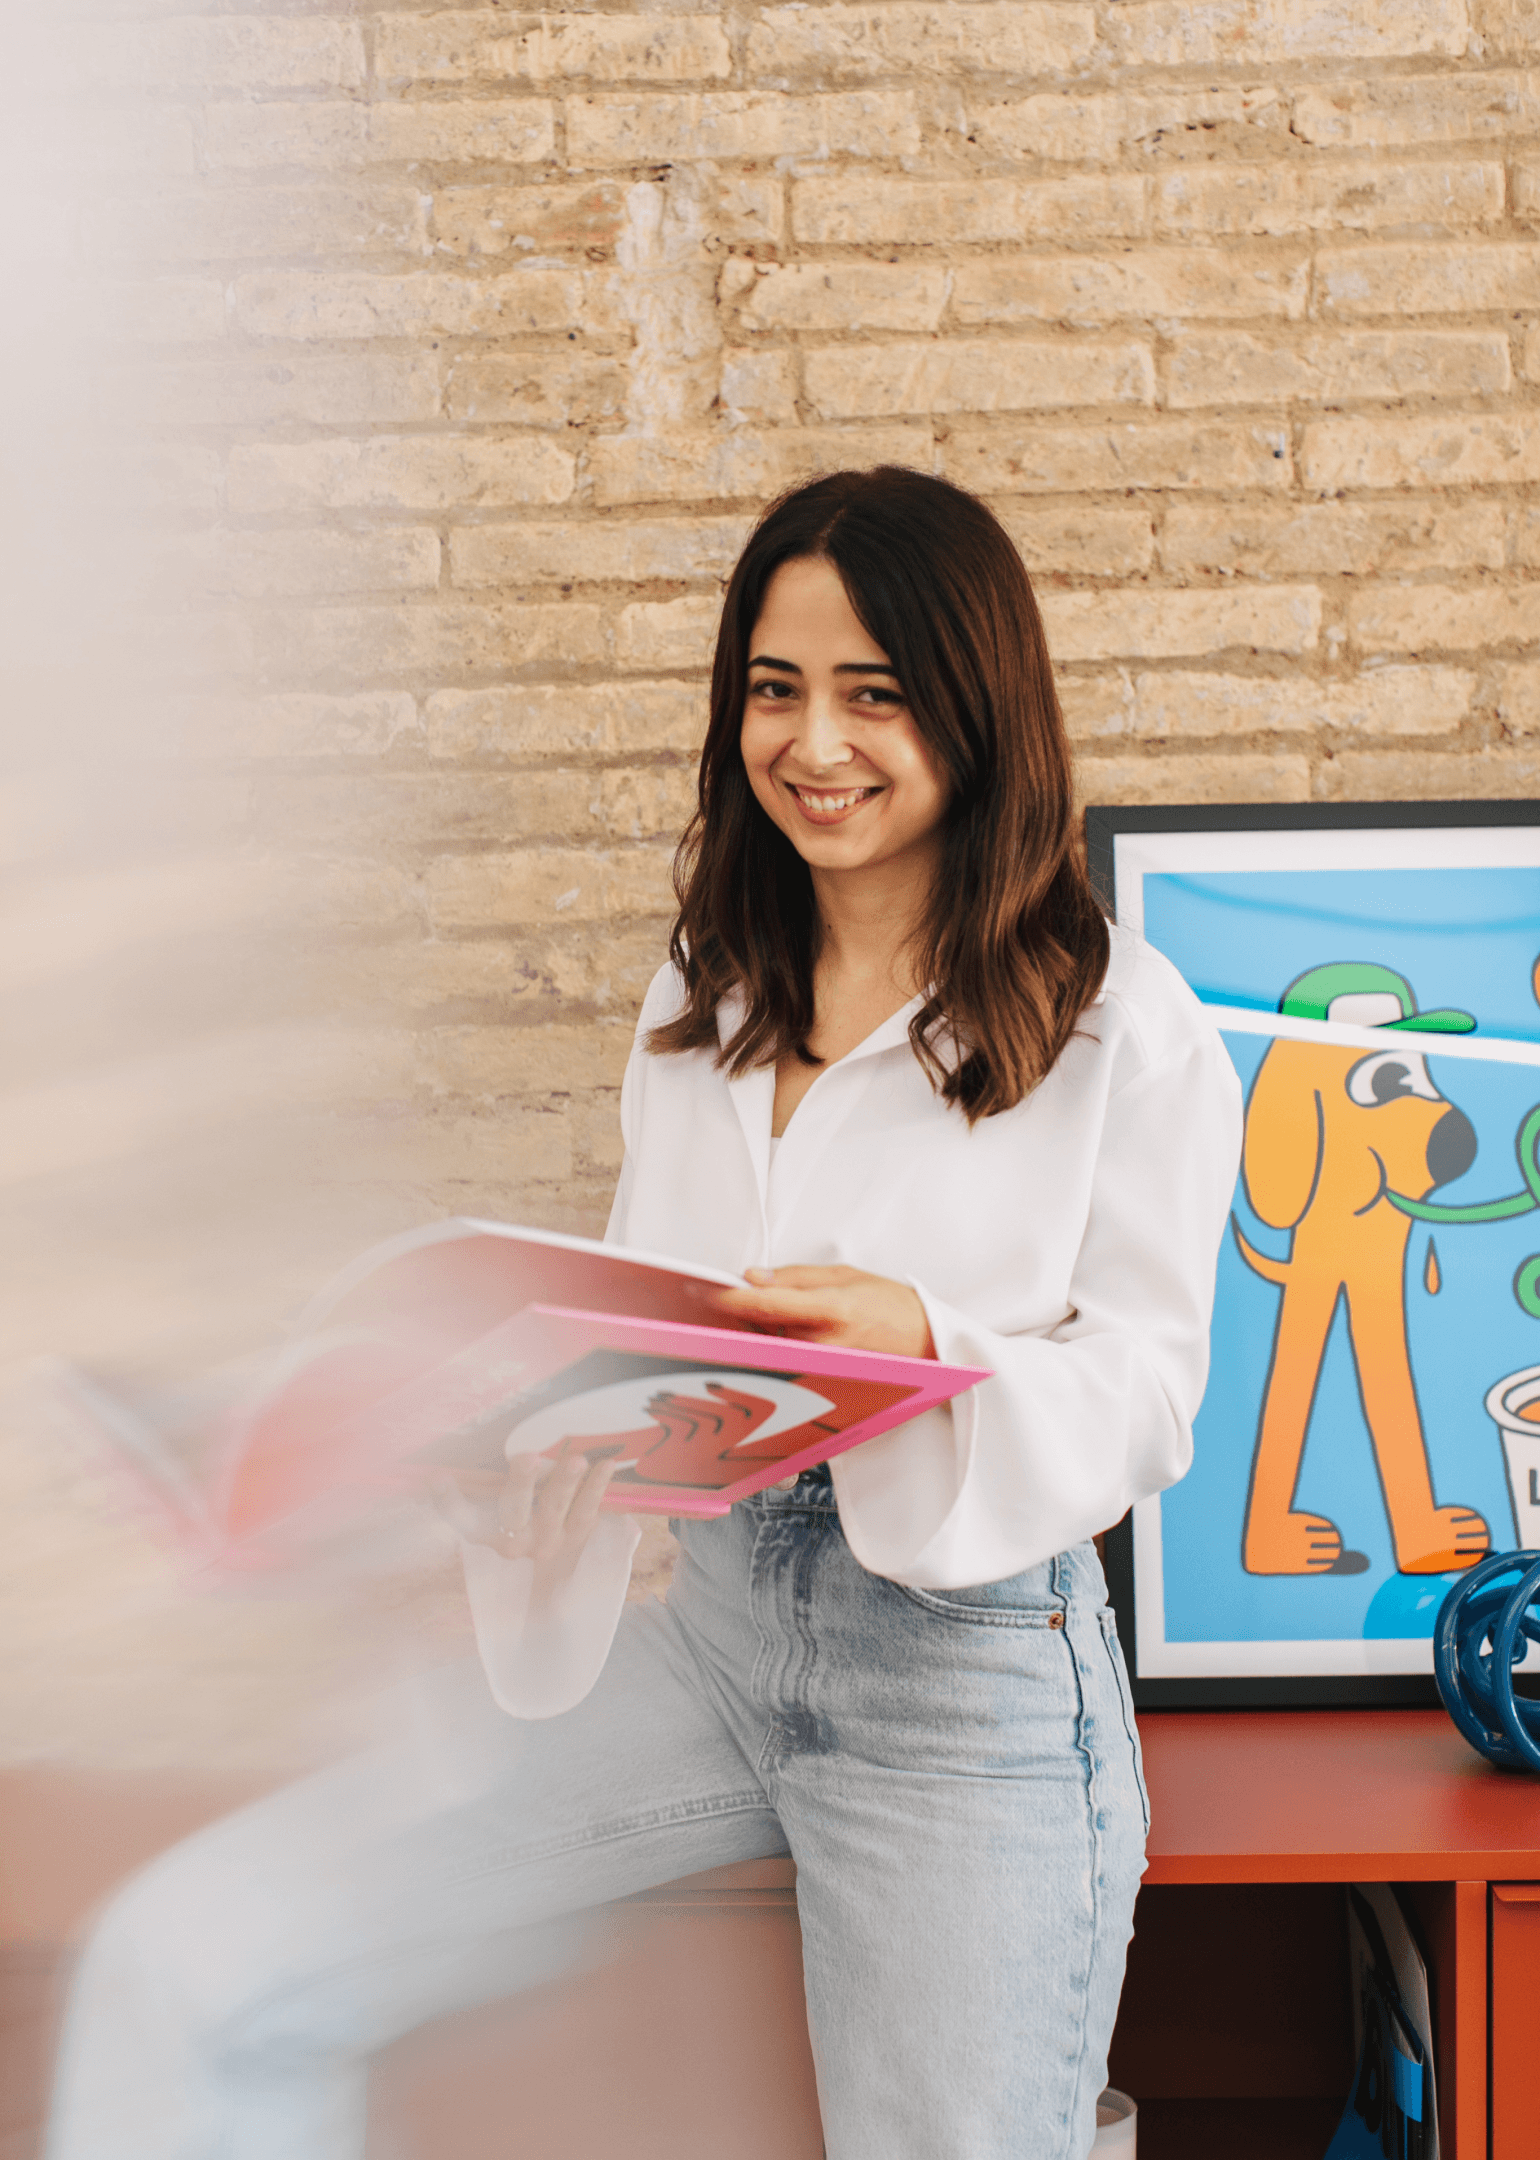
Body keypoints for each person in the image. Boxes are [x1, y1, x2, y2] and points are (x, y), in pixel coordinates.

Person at [46, 467, 1242, 2160]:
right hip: (706, 1629)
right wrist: (537, 1476)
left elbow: (1145, 1400)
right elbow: (650, 1331)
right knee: (202, 1963)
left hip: (962, 1686)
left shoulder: (1127, 1024)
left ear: (977, 711)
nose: (812, 744)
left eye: (873, 695)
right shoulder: (711, 991)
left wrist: (930, 1350)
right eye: (775, 689)